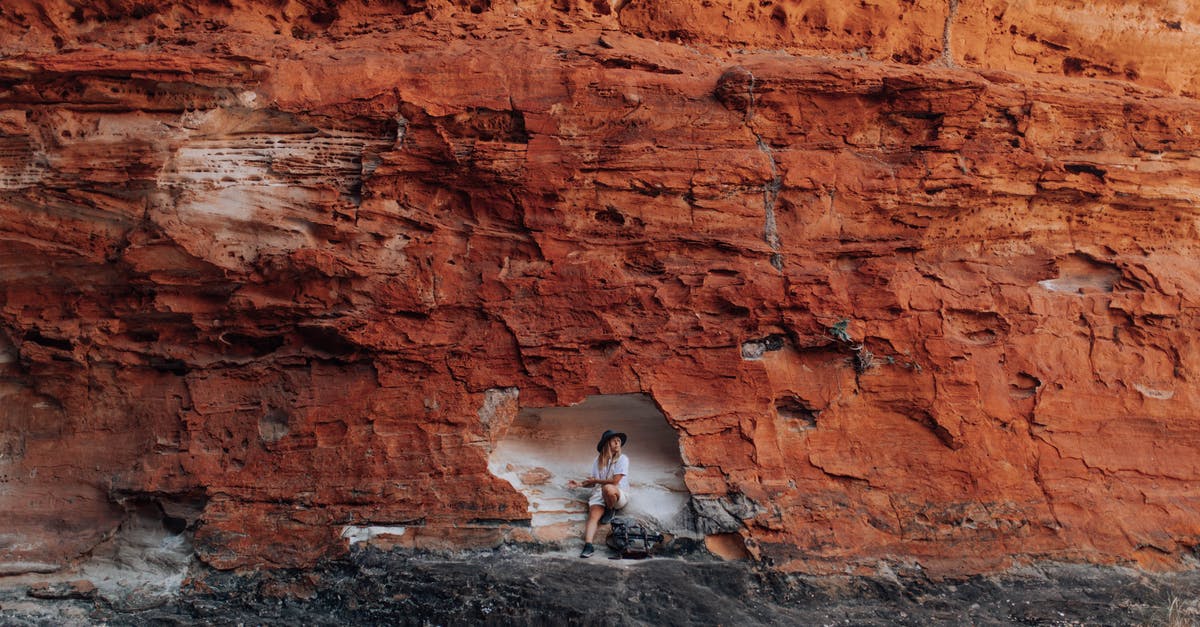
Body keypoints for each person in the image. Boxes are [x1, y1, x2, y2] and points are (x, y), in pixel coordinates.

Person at [568, 429, 629, 558]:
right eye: (615, 440)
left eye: (619, 441)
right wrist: (579, 484)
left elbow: (615, 481)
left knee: (607, 488)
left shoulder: (623, 459)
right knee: (593, 516)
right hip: (600, 494)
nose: (618, 443)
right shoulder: (598, 460)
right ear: (607, 443)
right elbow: (593, 482)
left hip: (618, 494)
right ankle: (588, 546)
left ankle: (610, 509)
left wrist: (596, 481)